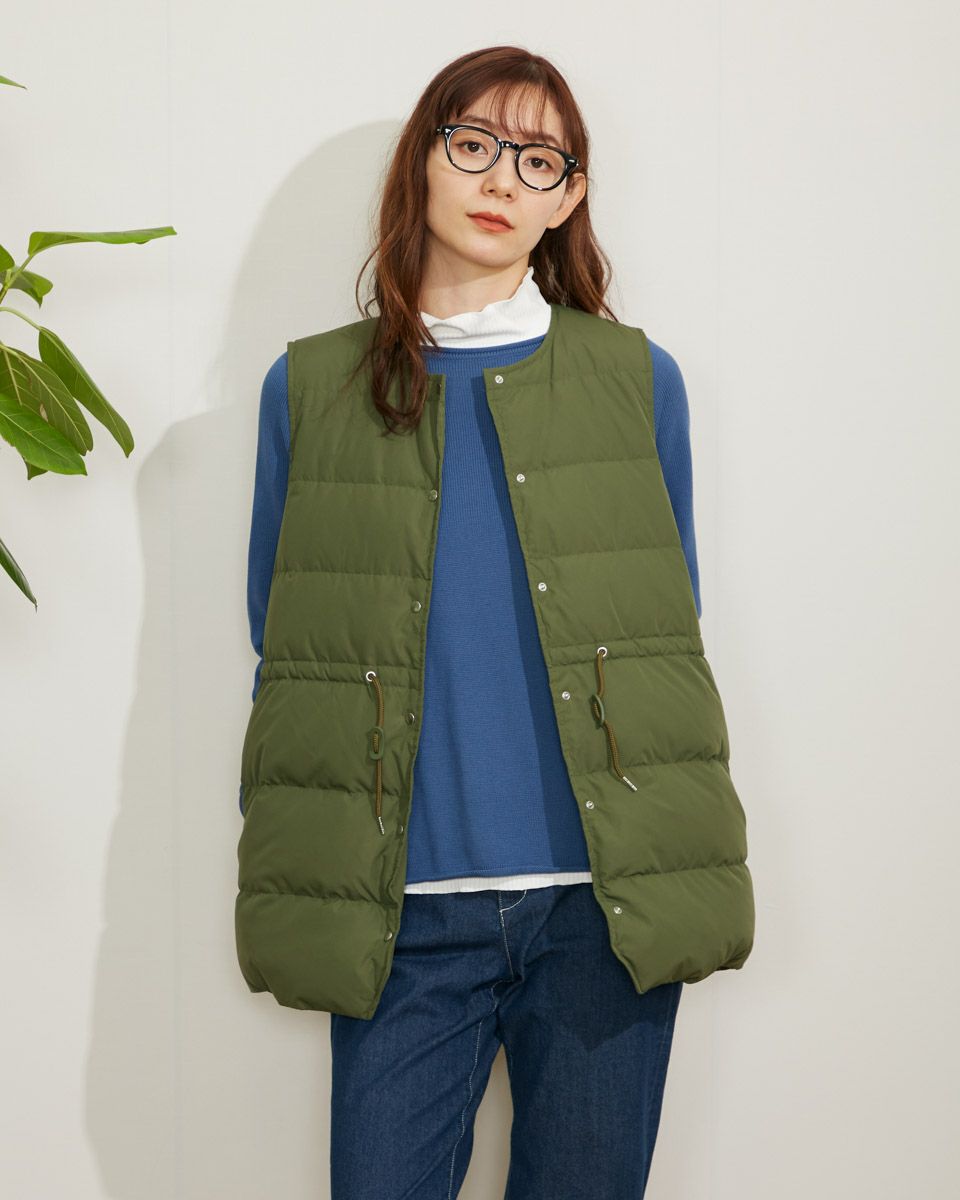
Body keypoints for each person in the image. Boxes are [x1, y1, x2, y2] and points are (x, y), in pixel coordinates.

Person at [236, 44, 755, 1200]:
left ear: (569, 196)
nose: (499, 179)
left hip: (602, 908)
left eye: (538, 160)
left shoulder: (636, 381)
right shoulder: (310, 390)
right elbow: (289, 634)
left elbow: (666, 625)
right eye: (473, 143)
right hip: (401, 915)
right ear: (422, 161)